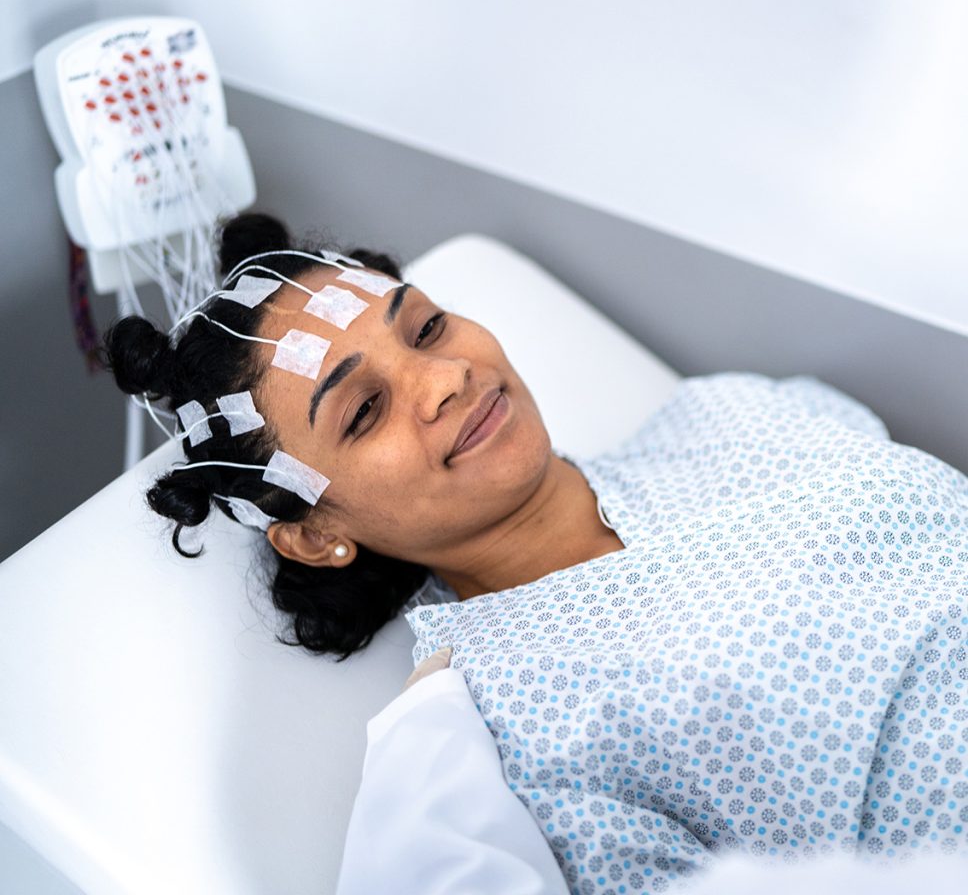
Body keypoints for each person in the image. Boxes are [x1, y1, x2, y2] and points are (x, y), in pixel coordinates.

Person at [103, 211, 968, 893]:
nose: (446, 380)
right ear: (318, 534)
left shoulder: (723, 411)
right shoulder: (524, 738)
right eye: (363, 412)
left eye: (429, 329)